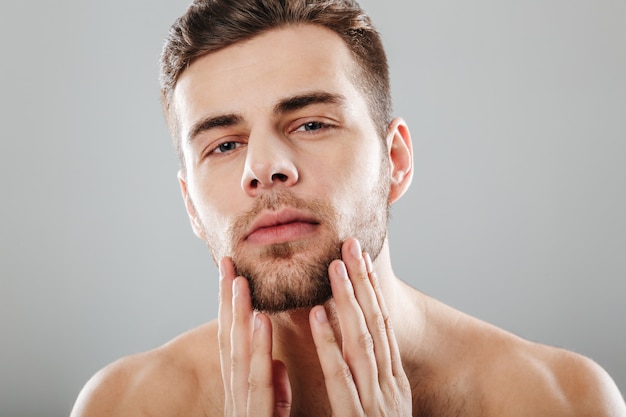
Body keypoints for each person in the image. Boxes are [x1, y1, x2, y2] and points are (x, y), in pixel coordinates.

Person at [70, 0, 626, 416]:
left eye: (310, 124)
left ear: (396, 160)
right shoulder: (124, 405)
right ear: (191, 206)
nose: (263, 168)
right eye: (223, 144)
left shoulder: (560, 400)